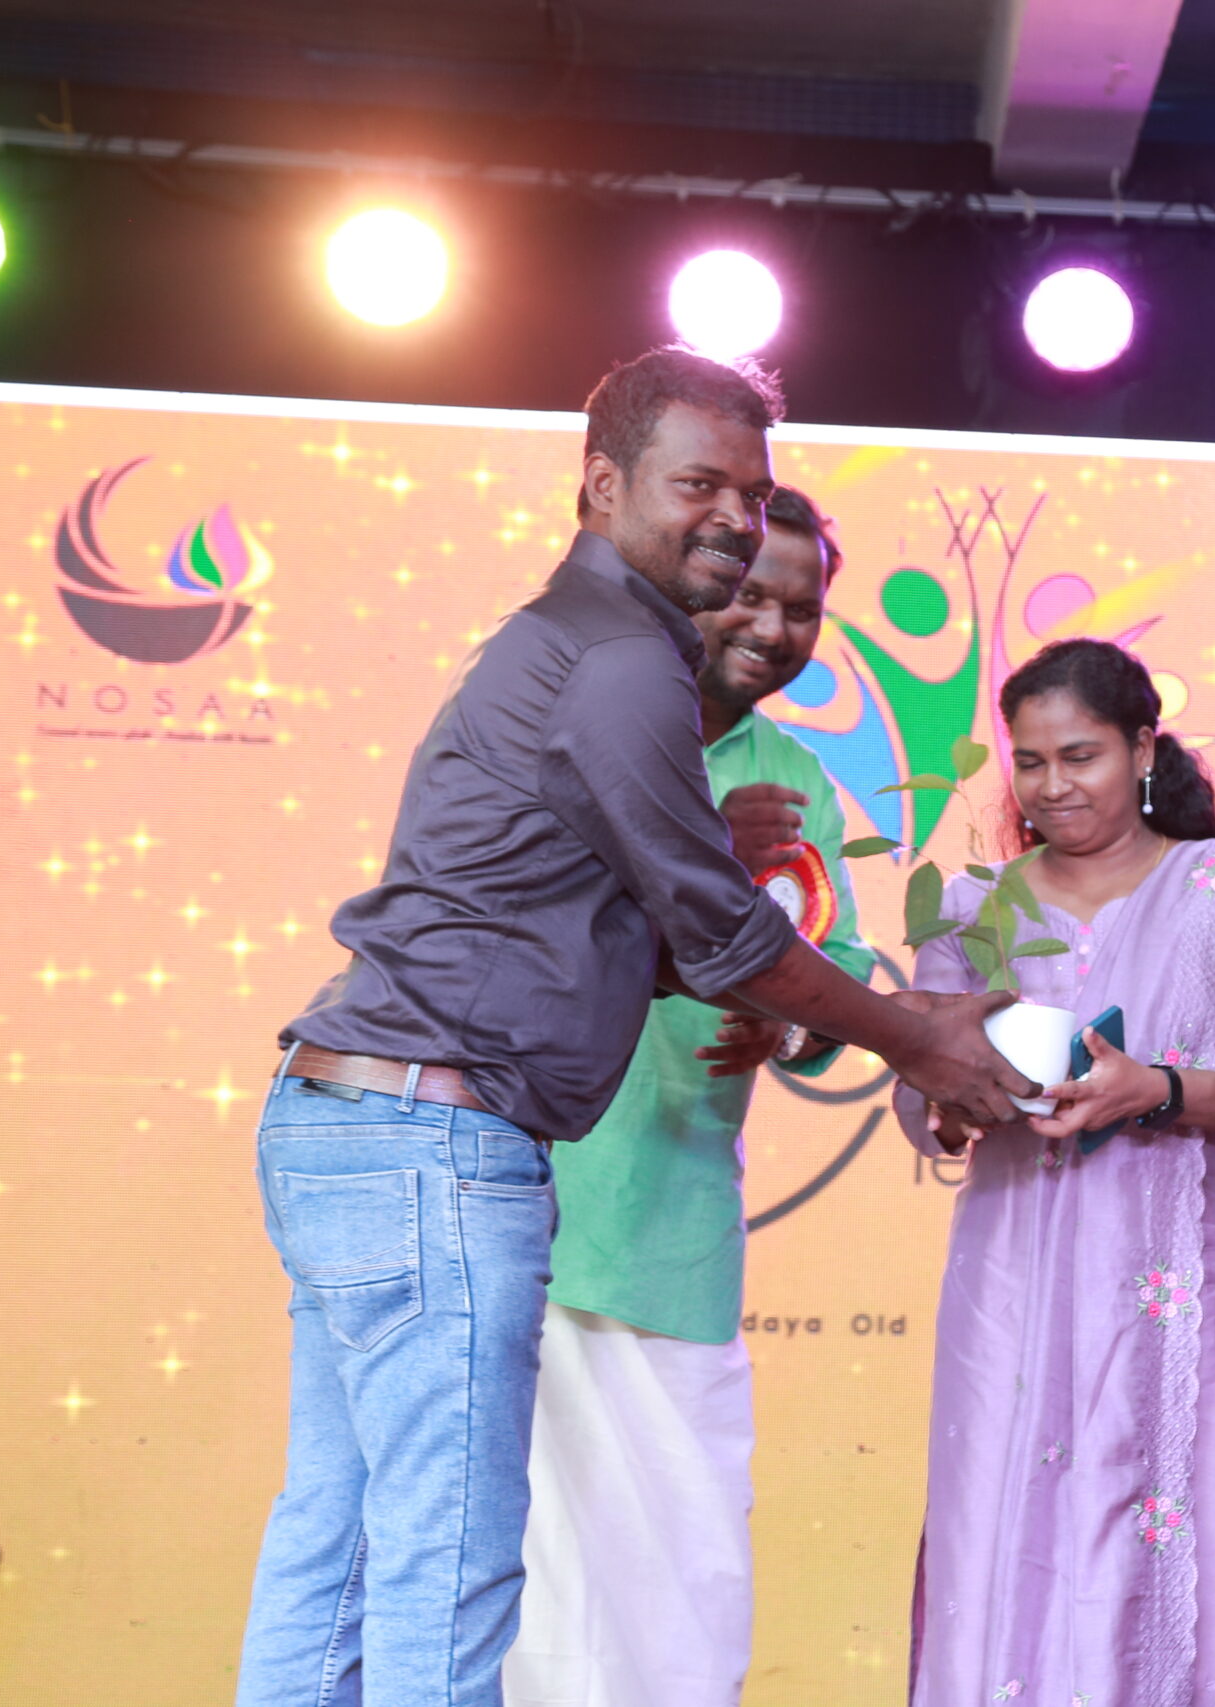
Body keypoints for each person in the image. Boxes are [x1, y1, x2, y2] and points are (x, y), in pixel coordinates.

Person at [239, 347, 1026, 1707]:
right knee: (445, 1564)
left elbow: (612, 938)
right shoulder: (620, 657)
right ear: (601, 484)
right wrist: (919, 1038)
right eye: (698, 484)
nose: (733, 518)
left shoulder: (580, 642)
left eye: (753, 493)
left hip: (360, 1122)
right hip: (433, 1139)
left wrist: (812, 1003)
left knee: (343, 1547)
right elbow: (724, 937)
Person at [894, 638, 1215, 1706]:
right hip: (1017, 1280)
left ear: (1143, 749)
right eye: (1030, 762)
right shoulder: (973, 909)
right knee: (1009, 1515)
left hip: (1203, 1279)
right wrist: (955, 1098)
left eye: (1080, 756)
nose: (1052, 786)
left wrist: (1157, 1090)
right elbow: (923, 1100)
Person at [505, 487, 874, 1707]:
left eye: (801, 609)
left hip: (672, 1230)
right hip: (518, 1212)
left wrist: (792, 1018)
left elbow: (837, 972)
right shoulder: (576, 712)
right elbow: (499, 927)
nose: (772, 628)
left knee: (680, 1593)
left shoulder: (797, 778)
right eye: (752, 594)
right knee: (516, 1592)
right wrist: (698, 848)